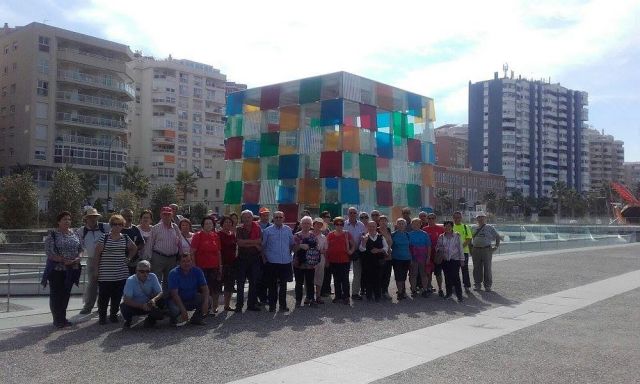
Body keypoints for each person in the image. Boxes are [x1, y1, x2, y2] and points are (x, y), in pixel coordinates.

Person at [94, 214, 137, 324]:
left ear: (123, 226)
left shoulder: (125, 237)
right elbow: (97, 254)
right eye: (115, 224)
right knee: (103, 297)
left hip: (121, 272)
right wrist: (96, 270)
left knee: (117, 296)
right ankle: (102, 317)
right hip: (105, 273)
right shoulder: (105, 237)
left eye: (120, 224)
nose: (117, 226)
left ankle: (113, 315)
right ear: (111, 225)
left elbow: (134, 248)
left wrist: (128, 259)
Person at [43, 211, 82, 328]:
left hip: (71, 269)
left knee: (66, 294)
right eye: (64, 219)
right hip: (57, 270)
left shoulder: (75, 233)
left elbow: (81, 248)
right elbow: (49, 253)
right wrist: (63, 260)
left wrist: (78, 258)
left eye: (69, 219)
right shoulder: (53, 235)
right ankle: (57, 319)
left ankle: (63, 318)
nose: (67, 221)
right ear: (58, 222)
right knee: (56, 295)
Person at [76, 207, 109, 315]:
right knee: (91, 285)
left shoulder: (105, 227)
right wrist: (78, 256)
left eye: (95, 217)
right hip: (91, 259)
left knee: (104, 285)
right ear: (86, 219)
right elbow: (79, 246)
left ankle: (102, 307)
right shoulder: (81, 230)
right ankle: (88, 306)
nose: (93, 219)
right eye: (90, 217)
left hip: (105, 259)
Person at [262, 210, 295, 312]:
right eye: (276, 217)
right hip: (272, 262)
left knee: (284, 285)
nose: (278, 219)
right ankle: (272, 306)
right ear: (273, 218)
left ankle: (283, 305)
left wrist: (288, 255)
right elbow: (263, 246)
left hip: (285, 261)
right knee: (272, 286)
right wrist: (265, 259)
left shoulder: (288, 230)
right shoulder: (267, 231)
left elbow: (291, 244)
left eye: (280, 217)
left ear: (284, 218)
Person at [145, 207, 182, 290]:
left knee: (169, 281)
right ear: (161, 215)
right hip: (158, 257)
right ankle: (156, 300)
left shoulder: (175, 227)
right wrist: (147, 259)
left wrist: (181, 255)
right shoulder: (156, 228)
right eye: (164, 214)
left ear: (172, 215)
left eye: (168, 214)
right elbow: (150, 244)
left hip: (172, 259)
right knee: (156, 280)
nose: (166, 216)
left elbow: (180, 242)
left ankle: (166, 300)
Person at [167, 253, 210, 326]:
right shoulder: (173, 273)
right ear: (179, 263)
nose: (186, 263)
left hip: (191, 299)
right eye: (183, 261)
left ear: (192, 261)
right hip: (177, 300)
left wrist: (206, 302)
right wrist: (183, 310)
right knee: (175, 310)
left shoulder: (197, 271)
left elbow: (205, 288)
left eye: (188, 261)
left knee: (208, 299)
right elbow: (174, 294)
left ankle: (196, 318)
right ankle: (175, 319)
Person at [191, 216, 222, 314]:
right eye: (206, 223)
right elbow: (192, 252)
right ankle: (204, 307)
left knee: (215, 288)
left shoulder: (215, 236)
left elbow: (218, 252)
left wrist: (220, 266)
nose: (208, 225)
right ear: (203, 225)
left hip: (214, 266)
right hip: (201, 267)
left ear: (213, 225)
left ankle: (214, 306)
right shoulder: (197, 235)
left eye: (210, 223)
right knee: (204, 288)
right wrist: (194, 267)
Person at [120, 260, 164, 329]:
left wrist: (153, 300)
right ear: (136, 271)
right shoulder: (130, 280)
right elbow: (126, 300)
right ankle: (128, 321)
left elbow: (160, 292)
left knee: (162, 303)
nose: (145, 274)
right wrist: (141, 306)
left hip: (149, 304)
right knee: (124, 306)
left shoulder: (153, 276)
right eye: (142, 271)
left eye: (147, 271)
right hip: (135, 306)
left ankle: (150, 320)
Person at [235, 210, 262, 312]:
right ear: (242, 219)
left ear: (252, 218)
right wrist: (254, 243)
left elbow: (260, 241)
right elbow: (240, 243)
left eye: (248, 217)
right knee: (240, 283)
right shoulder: (239, 229)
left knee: (253, 282)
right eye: (244, 217)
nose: (247, 219)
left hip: (254, 258)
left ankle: (251, 304)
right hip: (242, 258)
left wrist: (249, 243)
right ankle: (239, 305)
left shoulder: (257, 228)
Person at [293, 216, 322, 307]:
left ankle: (311, 299)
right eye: (304, 223)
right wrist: (300, 246)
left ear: (311, 225)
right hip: (299, 263)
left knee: (310, 282)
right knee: (299, 283)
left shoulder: (313, 236)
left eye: (308, 223)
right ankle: (298, 300)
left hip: (310, 263)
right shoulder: (296, 235)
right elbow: (293, 249)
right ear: (301, 224)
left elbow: (317, 248)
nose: (306, 225)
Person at [326, 217, 355, 304]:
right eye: (337, 224)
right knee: (336, 279)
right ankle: (338, 296)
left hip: (344, 260)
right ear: (334, 225)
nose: (339, 226)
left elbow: (353, 244)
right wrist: (327, 260)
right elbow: (327, 248)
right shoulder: (330, 235)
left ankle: (346, 297)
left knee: (345, 279)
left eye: (341, 224)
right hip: (333, 260)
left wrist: (350, 251)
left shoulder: (347, 234)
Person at [471, 212, 501, 292]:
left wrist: (496, 246)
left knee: (487, 268)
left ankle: (487, 285)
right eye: (479, 217)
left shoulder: (489, 227)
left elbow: (497, 236)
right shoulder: (473, 227)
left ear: (485, 218)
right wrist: (471, 249)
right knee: (476, 268)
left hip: (486, 250)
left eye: (482, 217)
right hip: (476, 250)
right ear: (476, 218)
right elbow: (469, 238)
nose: (480, 219)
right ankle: (477, 284)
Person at [359, 220, 389, 302]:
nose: (371, 228)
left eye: (373, 226)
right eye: (370, 226)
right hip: (367, 262)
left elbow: (386, 248)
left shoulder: (381, 237)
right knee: (368, 278)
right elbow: (361, 249)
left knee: (378, 278)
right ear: (367, 227)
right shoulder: (364, 237)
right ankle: (369, 295)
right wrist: (364, 242)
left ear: (376, 227)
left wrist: (378, 250)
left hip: (378, 262)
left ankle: (377, 296)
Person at [436, 221, 464, 302]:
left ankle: (459, 296)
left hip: (455, 259)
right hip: (445, 260)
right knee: (447, 277)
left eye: (449, 226)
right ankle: (448, 293)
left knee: (456, 277)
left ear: (452, 227)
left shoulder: (457, 236)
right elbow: (437, 247)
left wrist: (462, 259)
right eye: (446, 226)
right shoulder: (441, 236)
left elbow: (460, 248)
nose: (447, 228)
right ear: (443, 227)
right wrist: (439, 249)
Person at [218, 216, 238, 311]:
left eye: (230, 222)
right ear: (222, 224)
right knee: (217, 285)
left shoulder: (232, 234)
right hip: (221, 263)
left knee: (229, 285)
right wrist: (220, 264)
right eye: (226, 222)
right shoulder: (218, 234)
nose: (228, 224)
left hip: (232, 263)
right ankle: (214, 306)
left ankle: (227, 305)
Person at [423, 213, 445, 297]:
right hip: (428, 254)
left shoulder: (440, 229)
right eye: (429, 218)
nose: (431, 220)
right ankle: (429, 287)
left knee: (438, 273)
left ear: (435, 219)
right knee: (428, 272)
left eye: (432, 218)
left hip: (438, 255)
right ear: (427, 219)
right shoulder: (424, 229)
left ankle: (440, 289)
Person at [345, 207, 365, 300]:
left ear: (357, 214)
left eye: (354, 213)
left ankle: (355, 293)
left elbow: (364, 237)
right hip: (345, 252)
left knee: (357, 274)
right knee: (344, 274)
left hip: (357, 252)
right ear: (348, 214)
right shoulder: (344, 224)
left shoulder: (361, 225)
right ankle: (344, 293)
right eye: (351, 213)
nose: (352, 214)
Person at [408, 218, 431, 298]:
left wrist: (428, 257)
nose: (416, 225)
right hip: (413, 256)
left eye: (418, 223)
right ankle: (413, 290)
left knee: (423, 274)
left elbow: (428, 246)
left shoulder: (425, 234)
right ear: (411, 225)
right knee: (413, 274)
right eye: (414, 224)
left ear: (421, 224)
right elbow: (408, 247)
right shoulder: (409, 234)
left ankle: (425, 289)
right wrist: (410, 258)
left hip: (423, 256)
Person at [452, 211, 473, 293]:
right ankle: (454, 284)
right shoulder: (451, 226)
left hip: (464, 252)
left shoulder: (465, 227)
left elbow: (468, 239)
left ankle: (467, 285)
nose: (457, 219)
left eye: (458, 217)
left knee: (464, 269)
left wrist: (460, 248)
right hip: (453, 253)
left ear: (461, 218)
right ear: (453, 218)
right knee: (454, 270)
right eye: (455, 217)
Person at [391, 218, 411, 300]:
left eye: (402, 223)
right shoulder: (393, 235)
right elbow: (390, 246)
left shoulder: (408, 235)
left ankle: (402, 290)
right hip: (396, 258)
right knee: (398, 276)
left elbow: (411, 247)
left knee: (403, 276)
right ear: (396, 225)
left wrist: (412, 258)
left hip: (407, 258)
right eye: (399, 223)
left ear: (405, 225)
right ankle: (399, 293)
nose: (401, 225)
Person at [121, 208, 145, 276]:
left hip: (134, 262)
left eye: (131, 216)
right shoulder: (118, 229)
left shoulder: (135, 228)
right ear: (122, 216)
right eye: (127, 216)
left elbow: (142, 243)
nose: (130, 218)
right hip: (121, 262)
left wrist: (134, 249)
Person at [311, 217, 328, 304]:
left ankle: (318, 296)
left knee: (319, 277)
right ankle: (309, 296)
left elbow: (325, 249)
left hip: (321, 259)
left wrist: (327, 261)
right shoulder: (309, 235)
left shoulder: (324, 237)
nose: (319, 225)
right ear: (313, 225)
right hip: (310, 259)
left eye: (320, 224)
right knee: (309, 278)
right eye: (317, 224)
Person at [377, 215, 393, 300]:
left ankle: (385, 291)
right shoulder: (376, 230)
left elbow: (390, 242)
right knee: (379, 275)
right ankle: (378, 292)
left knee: (387, 275)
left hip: (389, 256)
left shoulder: (389, 230)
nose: (383, 222)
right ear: (378, 222)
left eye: (385, 220)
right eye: (381, 220)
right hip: (380, 256)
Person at [319, 210, 334, 297]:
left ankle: (327, 289)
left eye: (329, 217)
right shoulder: (321, 228)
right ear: (323, 218)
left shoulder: (328, 227)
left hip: (329, 252)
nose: (329, 218)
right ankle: (322, 290)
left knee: (328, 272)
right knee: (323, 272)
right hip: (323, 252)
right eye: (327, 217)